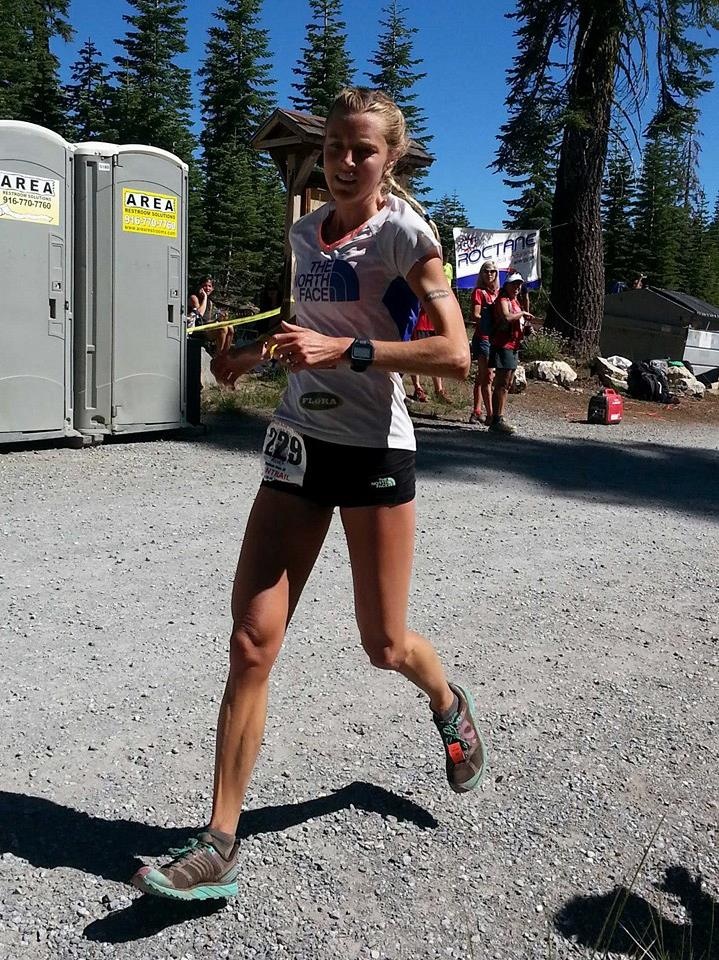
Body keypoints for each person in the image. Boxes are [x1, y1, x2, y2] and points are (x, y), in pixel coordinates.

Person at [131, 87, 486, 902]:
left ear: (389, 157)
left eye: (362, 149)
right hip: (297, 444)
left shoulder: (406, 235)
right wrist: (249, 358)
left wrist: (348, 352)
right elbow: (308, 323)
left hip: (372, 453)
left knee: (383, 644)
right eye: (334, 145)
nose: (344, 160)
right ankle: (219, 840)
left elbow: (455, 353)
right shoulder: (302, 232)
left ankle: (445, 700)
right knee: (252, 640)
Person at [488, 271, 535, 434]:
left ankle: (499, 416)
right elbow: (507, 318)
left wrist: (526, 327)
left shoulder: (515, 301)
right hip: (503, 345)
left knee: (507, 383)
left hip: (513, 345)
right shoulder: (503, 300)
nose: (517, 287)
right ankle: (496, 419)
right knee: (502, 383)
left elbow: (516, 321)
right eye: (514, 284)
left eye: (519, 284)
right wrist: (522, 313)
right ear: (506, 285)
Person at [468, 260, 499, 425]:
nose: (490, 274)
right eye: (486, 271)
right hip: (483, 338)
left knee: (482, 376)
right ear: (481, 274)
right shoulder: (479, 292)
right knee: (487, 376)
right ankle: (491, 415)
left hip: (495, 340)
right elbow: (475, 315)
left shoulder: (498, 293)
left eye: (493, 271)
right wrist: (491, 321)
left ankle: (477, 410)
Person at [408, 304, 451, 403]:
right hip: (420, 323)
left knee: (436, 357)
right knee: (416, 356)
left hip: (434, 324)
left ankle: (439, 390)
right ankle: (418, 388)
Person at [189, 276, 233, 355]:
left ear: (212, 289)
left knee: (230, 327)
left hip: (205, 328)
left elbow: (207, 320)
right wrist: (205, 298)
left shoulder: (210, 302)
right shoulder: (194, 297)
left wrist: (218, 320)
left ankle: (225, 354)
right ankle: (219, 356)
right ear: (200, 287)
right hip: (195, 329)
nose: (207, 288)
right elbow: (199, 315)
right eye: (205, 285)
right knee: (223, 328)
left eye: (210, 286)